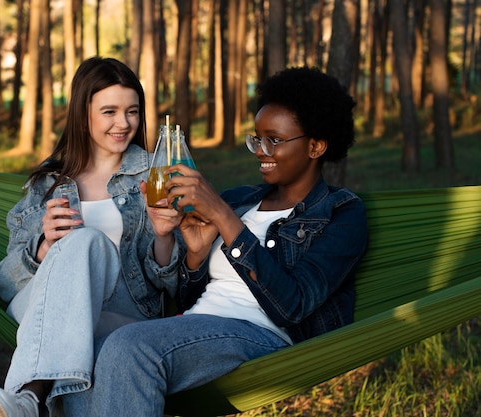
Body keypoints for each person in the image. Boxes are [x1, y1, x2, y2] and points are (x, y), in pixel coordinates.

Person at [60, 66, 370, 416]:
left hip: (264, 334)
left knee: (129, 347)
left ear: (316, 146)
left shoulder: (341, 213)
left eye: (275, 140)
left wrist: (225, 218)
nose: (261, 150)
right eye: (257, 138)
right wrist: (195, 253)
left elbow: (292, 306)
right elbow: (190, 298)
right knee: (87, 355)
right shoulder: (242, 199)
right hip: (197, 325)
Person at [0, 56, 183, 417]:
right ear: (83, 115)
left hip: (124, 315)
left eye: (132, 111)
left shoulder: (155, 176)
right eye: (109, 111)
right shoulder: (47, 185)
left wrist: (164, 236)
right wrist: (44, 247)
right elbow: (4, 281)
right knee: (80, 250)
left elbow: (176, 286)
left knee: (87, 242)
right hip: (45, 310)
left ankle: (28, 400)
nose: (123, 123)